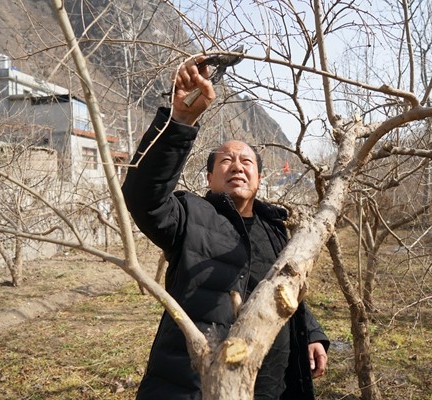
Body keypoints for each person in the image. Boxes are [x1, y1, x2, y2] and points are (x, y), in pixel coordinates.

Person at [122, 55, 329, 400]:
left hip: (272, 386)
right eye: (226, 161)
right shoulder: (190, 215)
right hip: (198, 386)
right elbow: (144, 197)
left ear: (258, 178)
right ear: (209, 178)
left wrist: (310, 332)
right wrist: (180, 121)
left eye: (246, 161)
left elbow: (284, 288)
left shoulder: (276, 228)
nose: (237, 166)